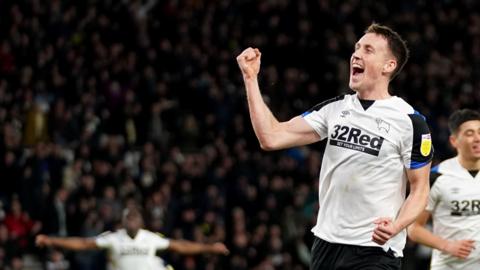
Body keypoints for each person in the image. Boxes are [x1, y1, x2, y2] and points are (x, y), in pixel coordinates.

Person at [236, 23, 433, 269]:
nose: (356, 54)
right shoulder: (335, 109)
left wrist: (397, 225)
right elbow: (271, 137)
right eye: (357, 48)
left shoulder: (410, 122)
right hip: (326, 244)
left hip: (375, 249)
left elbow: (420, 190)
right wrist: (250, 78)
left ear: (388, 65)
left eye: (368, 50)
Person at [36, 207, 229, 270]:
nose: (132, 219)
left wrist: (210, 248)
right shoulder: (113, 238)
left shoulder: (150, 238)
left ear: (141, 221)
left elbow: (180, 246)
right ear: (122, 221)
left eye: (135, 216)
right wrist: (51, 241)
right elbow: (83, 243)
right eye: (128, 216)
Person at [408, 109, 480, 270]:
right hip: (449, 266)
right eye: (470, 133)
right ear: (454, 141)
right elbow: (413, 229)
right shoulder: (437, 176)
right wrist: (447, 245)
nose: (477, 138)